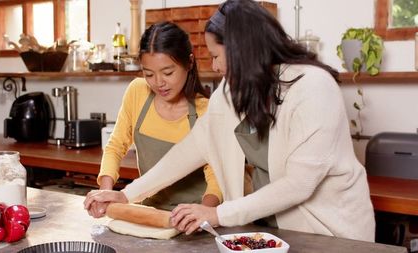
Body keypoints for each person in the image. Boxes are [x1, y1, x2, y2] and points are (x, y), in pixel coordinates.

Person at [84, 0, 375, 242]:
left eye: (216, 56)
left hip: (332, 235)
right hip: (270, 230)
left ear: (241, 49)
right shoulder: (232, 89)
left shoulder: (314, 87)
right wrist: (126, 195)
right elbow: (194, 147)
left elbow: (299, 184)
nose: (214, 66)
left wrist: (217, 214)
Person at [86, 21, 222, 217]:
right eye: (149, 74)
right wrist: (106, 192)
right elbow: (116, 146)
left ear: (189, 63)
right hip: (149, 211)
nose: (159, 83)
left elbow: (216, 176)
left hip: (193, 215)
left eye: (168, 73)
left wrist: (204, 213)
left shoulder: (207, 110)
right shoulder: (137, 92)